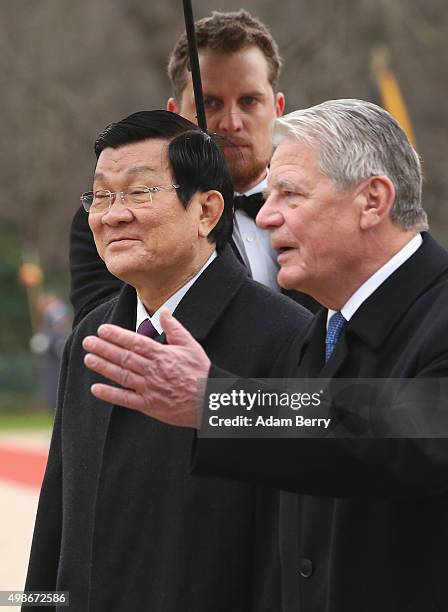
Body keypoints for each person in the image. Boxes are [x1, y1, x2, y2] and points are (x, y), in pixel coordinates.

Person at [83, 100, 448, 612]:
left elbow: (406, 432)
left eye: (290, 194)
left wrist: (217, 402)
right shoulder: (320, 332)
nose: (267, 213)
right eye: (269, 193)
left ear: (372, 200)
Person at [24, 110, 311, 612]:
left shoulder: (285, 338)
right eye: (102, 195)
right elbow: (57, 522)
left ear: (206, 211)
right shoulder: (92, 335)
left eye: (139, 192)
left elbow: (283, 549)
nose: (113, 214)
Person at [70, 10, 317, 327]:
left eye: (249, 101)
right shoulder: (115, 216)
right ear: (176, 115)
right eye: (210, 103)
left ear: (278, 109)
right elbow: (108, 333)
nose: (231, 123)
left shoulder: (321, 205)